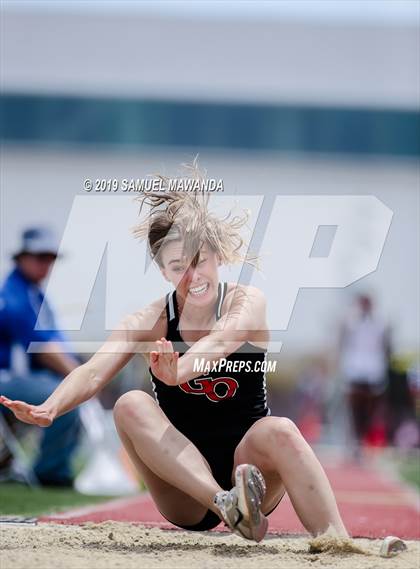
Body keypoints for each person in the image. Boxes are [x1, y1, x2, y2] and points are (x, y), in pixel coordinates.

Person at [0, 181, 348, 541]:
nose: (193, 276)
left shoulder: (247, 303)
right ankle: (226, 504)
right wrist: (50, 407)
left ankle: (338, 541)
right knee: (130, 404)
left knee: (282, 429)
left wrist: (178, 372)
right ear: (164, 272)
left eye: (199, 261)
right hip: (186, 490)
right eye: (179, 266)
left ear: (219, 257)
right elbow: (91, 372)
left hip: (251, 469)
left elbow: (219, 342)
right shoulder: (150, 320)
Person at [0, 227, 80, 486]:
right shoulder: (14, 296)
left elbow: (57, 343)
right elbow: (44, 350)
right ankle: (50, 473)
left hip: (21, 378)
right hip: (7, 378)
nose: (45, 264)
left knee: (69, 394)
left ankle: (41, 467)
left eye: (49, 258)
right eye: (39, 257)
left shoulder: (35, 295)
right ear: (21, 257)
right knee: (65, 400)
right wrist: (82, 378)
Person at [338, 293, 391, 456]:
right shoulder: (350, 321)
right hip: (354, 369)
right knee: (354, 408)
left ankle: (364, 440)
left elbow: (386, 346)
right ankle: (354, 441)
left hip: (373, 370)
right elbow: (342, 342)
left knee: (370, 409)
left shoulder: (381, 323)